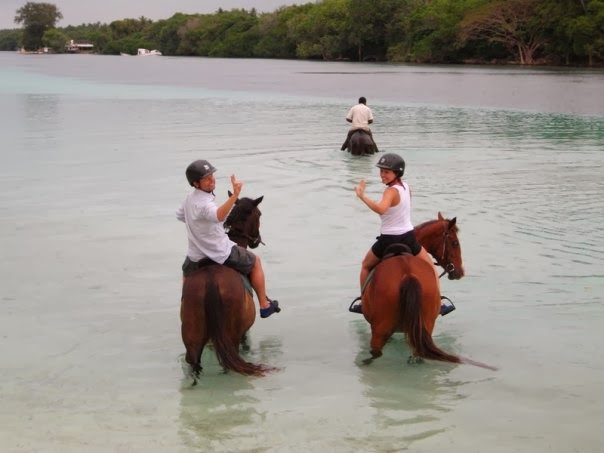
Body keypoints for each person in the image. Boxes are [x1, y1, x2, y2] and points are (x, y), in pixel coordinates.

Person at [350, 153, 454, 316]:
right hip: (409, 238)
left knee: (365, 266)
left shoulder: (390, 192)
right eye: (381, 171)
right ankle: (439, 302)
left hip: (388, 240)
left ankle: (364, 302)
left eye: (386, 172)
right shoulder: (406, 187)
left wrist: (362, 196)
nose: (382, 175)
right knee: (430, 267)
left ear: (396, 173)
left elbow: (381, 209)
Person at [176, 159, 280, 319]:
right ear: (196, 183)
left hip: (195, 256)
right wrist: (235, 195)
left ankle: (186, 307)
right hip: (220, 253)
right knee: (255, 262)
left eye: (212, 176)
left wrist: (200, 227)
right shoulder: (205, 204)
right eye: (206, 178)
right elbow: (219, 215)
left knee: (186, 272)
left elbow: (181, 216)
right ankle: (265, 305)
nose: (212, 180)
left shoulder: (189, 199)